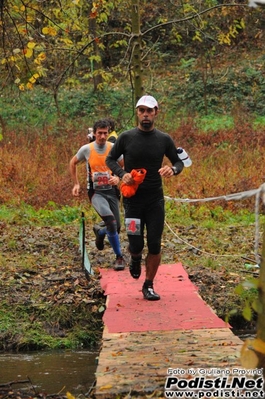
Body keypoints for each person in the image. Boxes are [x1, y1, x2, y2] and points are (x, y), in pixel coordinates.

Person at [106, 95, 184, 300]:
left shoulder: (164, 139)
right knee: (136, 244)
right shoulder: (126, 137)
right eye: (142, 111)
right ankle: (135, 257)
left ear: (156, 112)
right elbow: (110, 159)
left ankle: (148, 285)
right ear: (137, 113)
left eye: (149, 111)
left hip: (155, 201)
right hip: (133, 201)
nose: (145, 115)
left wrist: (172, 169)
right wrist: (123, 175)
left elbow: (179, 162)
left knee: (155, 243)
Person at [70, 119, 126, 271]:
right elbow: (73, 162)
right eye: (99, 133)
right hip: (96, 192)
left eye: (105, 133)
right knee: (111, 222)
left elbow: (124, 165)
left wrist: (118, 177)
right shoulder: (87, 149)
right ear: (94, 134)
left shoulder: (113, 148)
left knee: (117, 226)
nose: (102, 136)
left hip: (112, 191)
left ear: (109, 133)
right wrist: (76, 184)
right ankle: (119, 257)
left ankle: (100, 231)